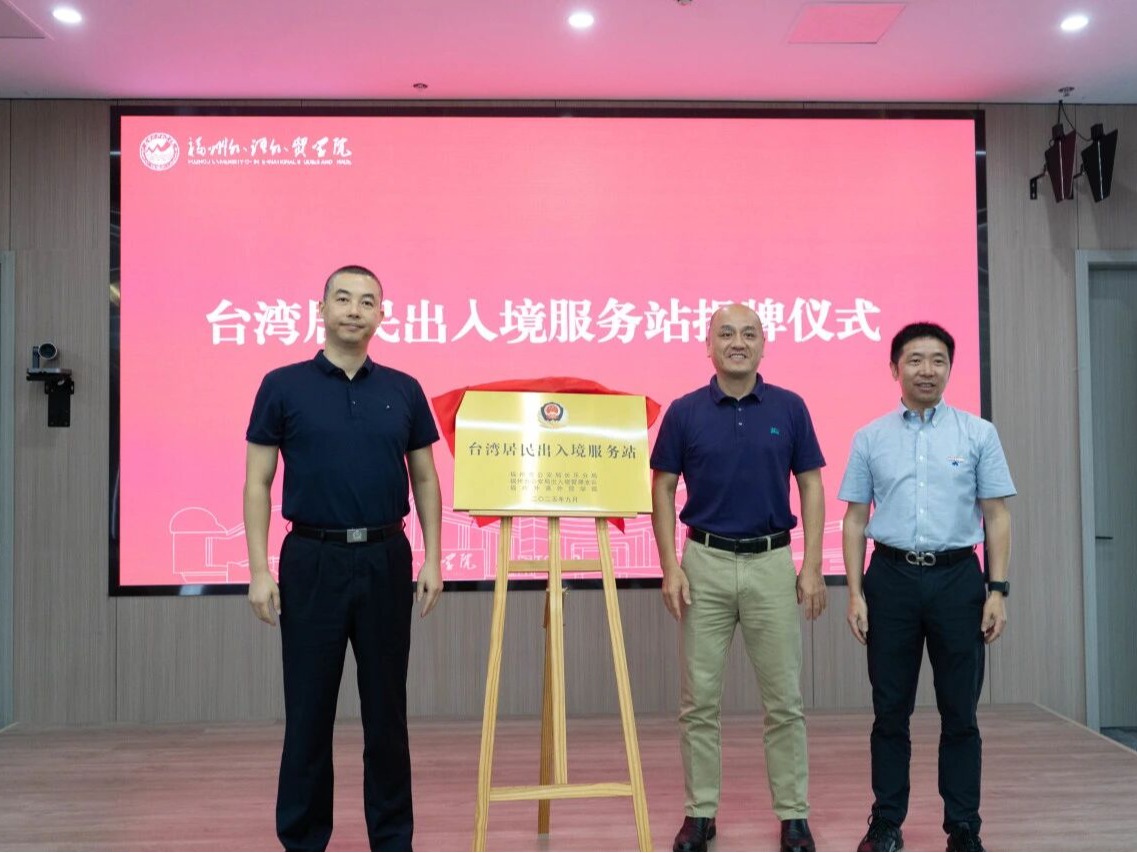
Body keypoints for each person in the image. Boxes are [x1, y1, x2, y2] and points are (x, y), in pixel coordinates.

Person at [244, 264, 443, 852]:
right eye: (344, 298)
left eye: (367, 301)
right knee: (308, 710)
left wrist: (433, 558)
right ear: (322, 309)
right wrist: (259, 571)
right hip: (312, 559)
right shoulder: (282, 385)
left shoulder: (404, 389)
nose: (355, 310)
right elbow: (258, 482)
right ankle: (303, 839)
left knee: (387, 713)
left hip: (386, 558)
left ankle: (393, 838)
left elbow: (425, 479)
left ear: (382, 314)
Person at [650, 303, 827, 853]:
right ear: (708, 345)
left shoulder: (790, 407)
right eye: (725, 333)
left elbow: (811, 485)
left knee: (785, 701)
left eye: (749, 334)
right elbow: (662, 488)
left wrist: (812, 565)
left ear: (763, 344)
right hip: (703, 563)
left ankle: (793, 815)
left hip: (772, 563)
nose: (737, 342)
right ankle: (700, 813)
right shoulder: (684, 412)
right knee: (698, 700)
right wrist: (670, 566)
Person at [838, 322, 1014, 853]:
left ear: (950, 369)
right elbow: (854, 519)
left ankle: (963, 826)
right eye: (915, 360)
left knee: (960, 712)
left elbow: (996, 515)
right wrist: (854, 593)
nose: (927, 370)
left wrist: (997, 589)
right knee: (890, 711)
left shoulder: (978, 434)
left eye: (938, 360)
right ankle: (886, 822)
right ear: (895, 369)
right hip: (889, 580)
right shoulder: (870, 437)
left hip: (958, 580)